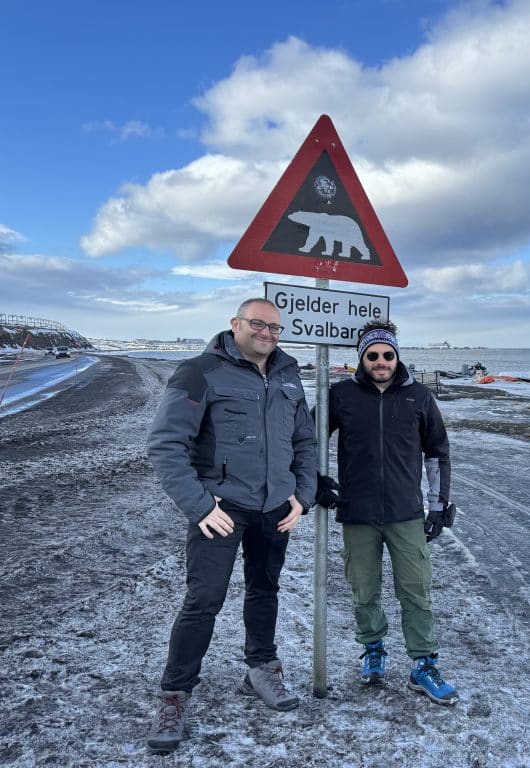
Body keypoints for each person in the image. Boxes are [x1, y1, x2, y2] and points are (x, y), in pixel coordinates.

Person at [145, 298, 317, 752]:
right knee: (204, 600)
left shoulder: (288, 374)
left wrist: (303, 496)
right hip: (220, 509)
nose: (267, 333)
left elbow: (304, 440)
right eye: (258, 324)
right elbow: (166, 445)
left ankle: (260, 669)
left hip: (275, 508)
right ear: (235, 324)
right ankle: (175, 695)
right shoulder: (198, 371)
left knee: (266, 591)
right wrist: (200, 507)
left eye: (275, 327)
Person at [318, 320, 459, 705]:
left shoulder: (418, 397)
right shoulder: (341, 394)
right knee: (363, 589)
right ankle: (374, 649)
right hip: (357, 512)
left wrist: (439, 506)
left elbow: (437, 454)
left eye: (388, 355)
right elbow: (309, 439)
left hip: (406, 513)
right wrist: (313, 480)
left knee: (415, 590)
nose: (381, 361)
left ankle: (423, 664)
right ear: (362, 358)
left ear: (397, 357)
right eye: (373, 355)